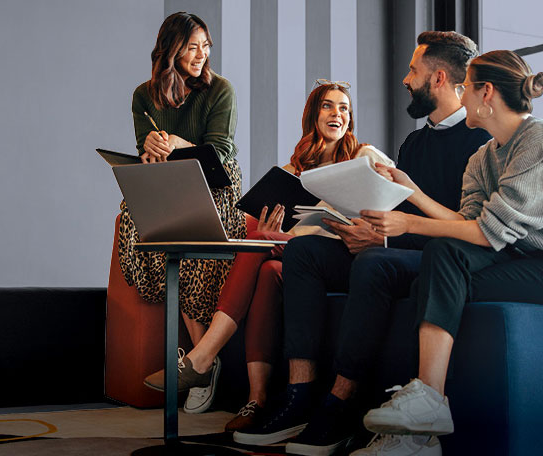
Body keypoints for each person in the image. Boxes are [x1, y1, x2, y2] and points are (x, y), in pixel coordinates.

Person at [355, 50, 543, 456]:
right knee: (437, 265)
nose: (460, 97)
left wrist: (409, 223)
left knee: (441, 266)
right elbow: (464, 223)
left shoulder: (542, 141)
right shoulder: (484, 157)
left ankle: (427, 405)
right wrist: (408, 188)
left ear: (487, 93)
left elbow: (486, 232)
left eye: (467, 89)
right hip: (529, 261)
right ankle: (419, 433)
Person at [233, 32, 491, 456]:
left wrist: (383, 238)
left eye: (413, 71)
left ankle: (340, 403)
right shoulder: (414, 143)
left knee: (373, 262)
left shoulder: (479, 142)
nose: (406, 80)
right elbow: (388, 205)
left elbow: (462, 229)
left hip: (440, 258)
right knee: (304, 253)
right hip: (394, 245)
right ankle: (299, 397)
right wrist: (360, 228)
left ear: (439, 78)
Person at [143, 80, 394, 423]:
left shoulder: (364, 156)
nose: (337, 113)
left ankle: (203, 358)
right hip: (300, 258)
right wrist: (271, 235)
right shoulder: (292, 173)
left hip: (349, 255)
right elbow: (289, 234)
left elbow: (394, 203)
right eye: (328, 106)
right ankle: (256, 399)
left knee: (263, 251)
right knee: (264, 264)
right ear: (312, 116)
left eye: (344, 108)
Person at [116, 11, 246, 405]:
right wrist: (150, 150)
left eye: (205, 46)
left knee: (188, 241)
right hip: (170, 182)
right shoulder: (144, 95)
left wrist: (175, 142)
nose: (201, 54)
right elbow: (145, 149)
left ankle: (198, 365)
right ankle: (201, 362)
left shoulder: (220, 89)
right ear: (171, 49)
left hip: (216, 183)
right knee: (135, 222)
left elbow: (221, 154)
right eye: (192, 47)